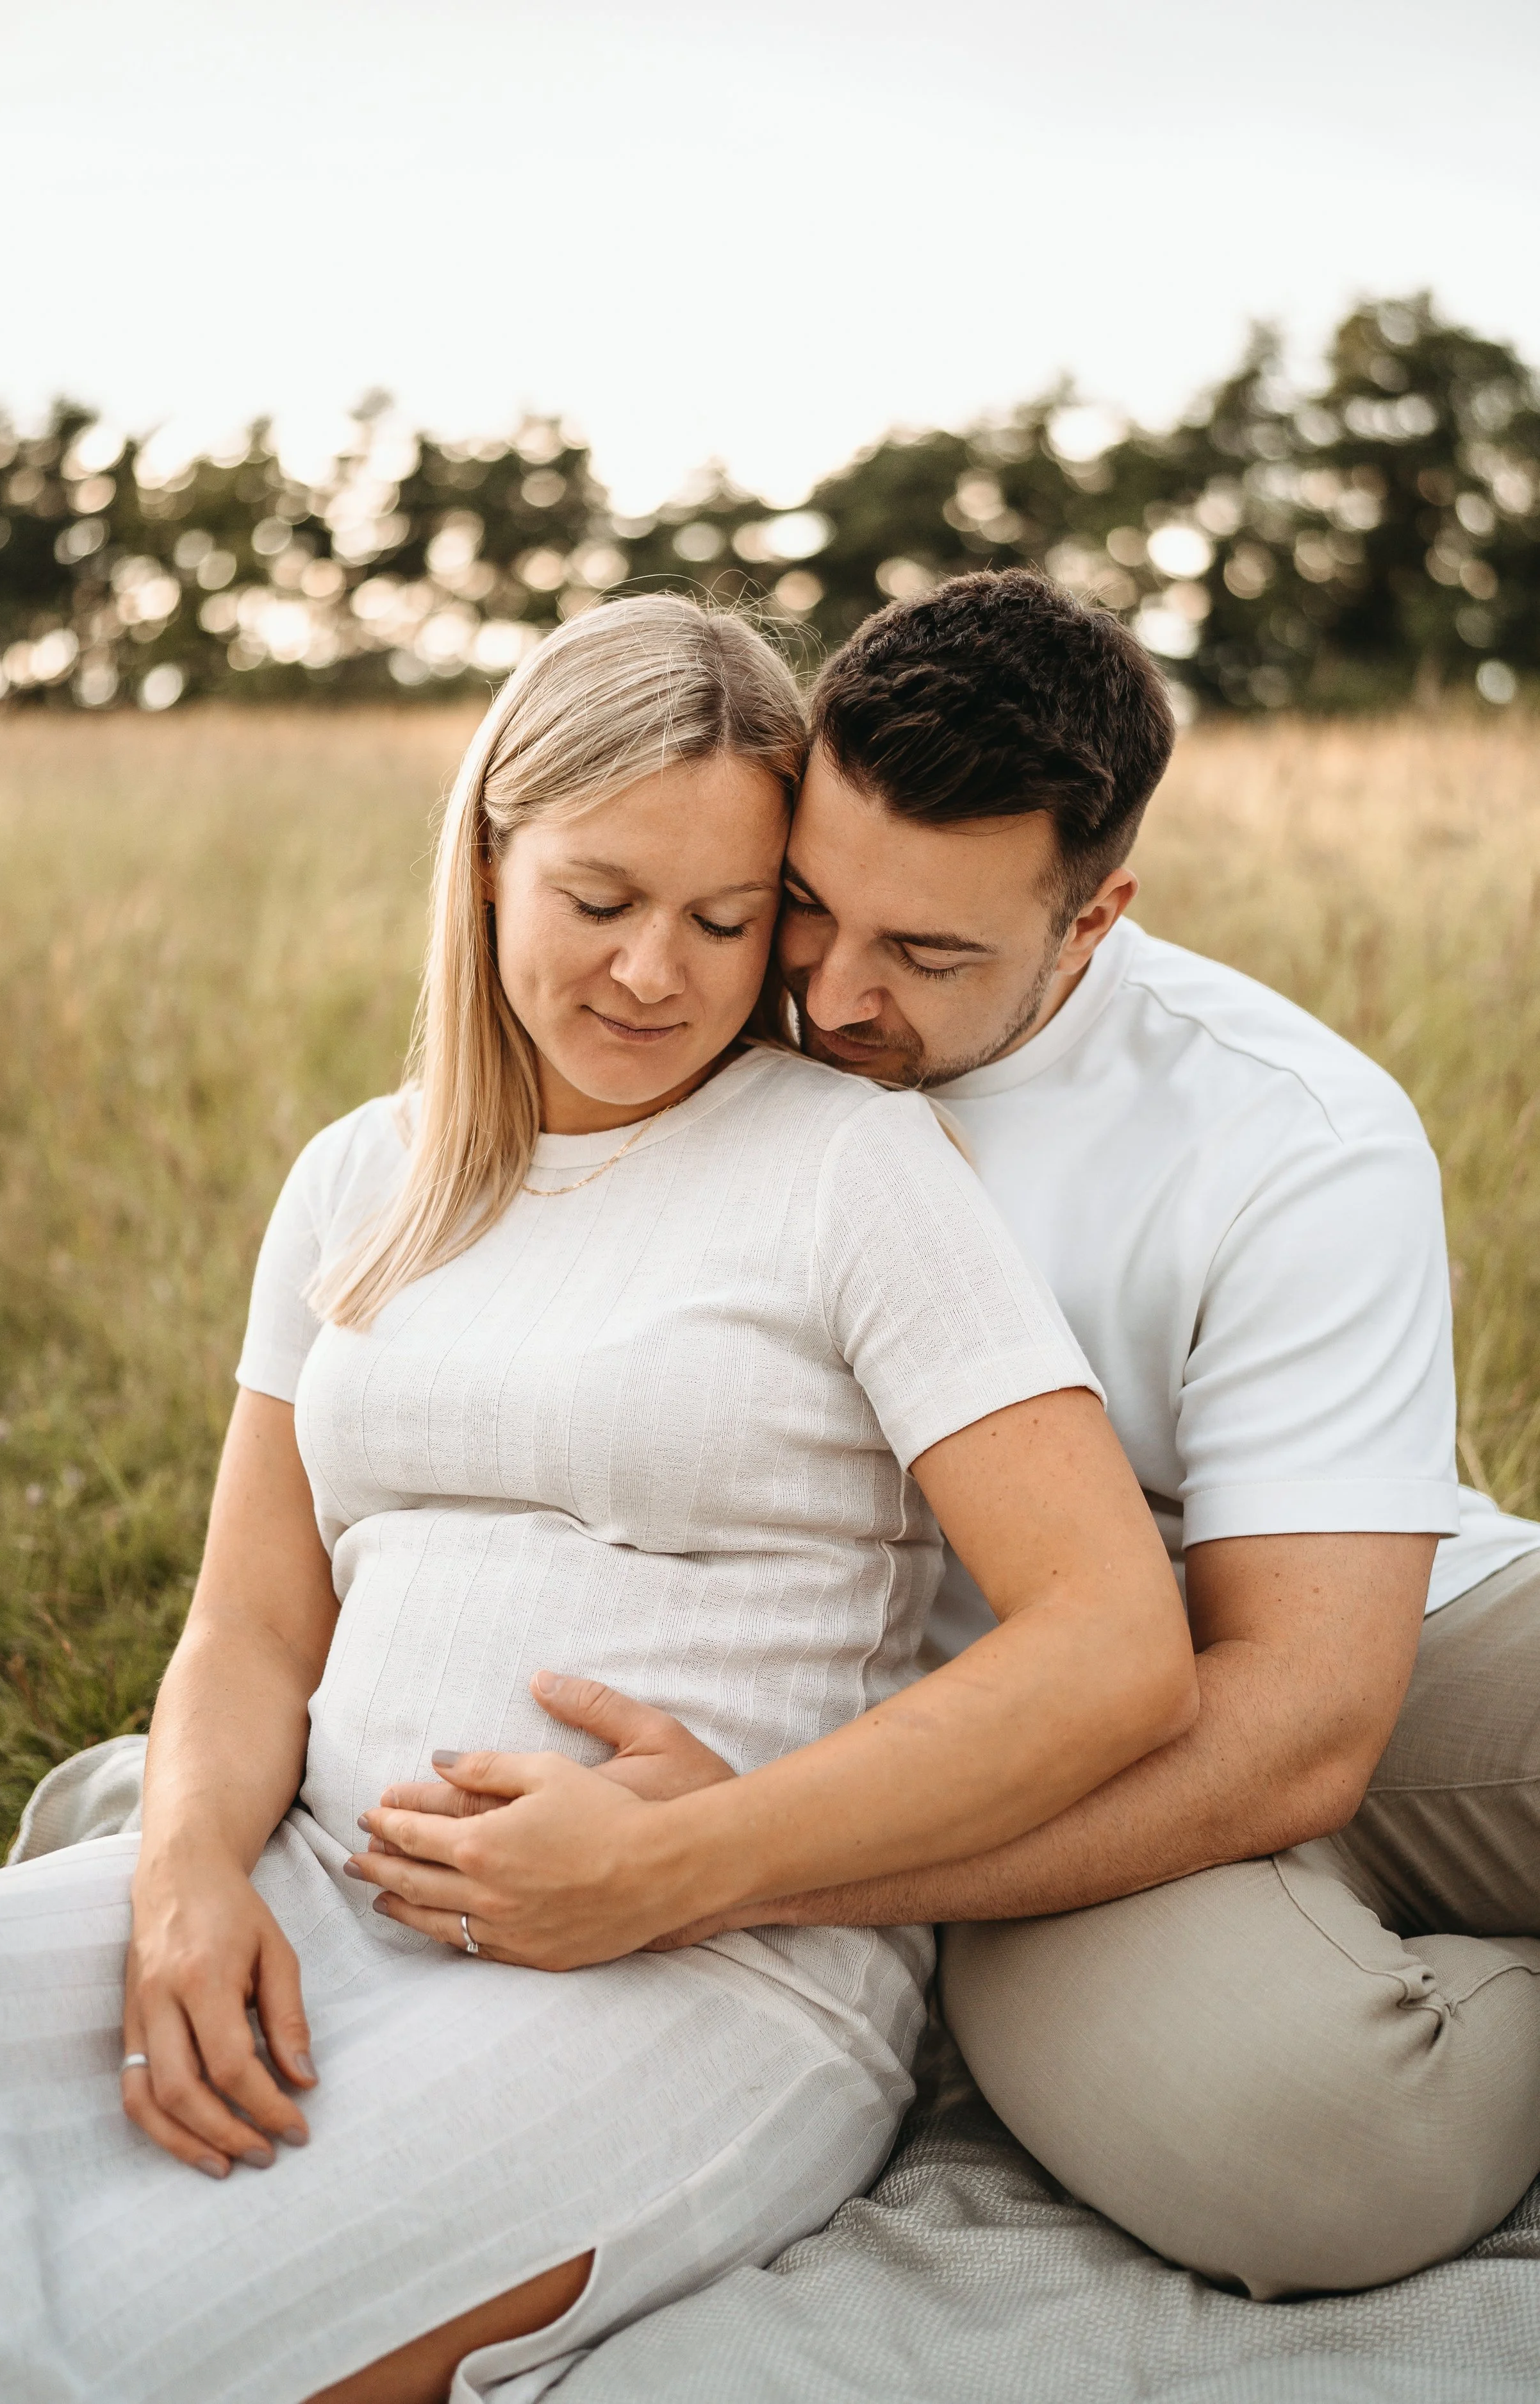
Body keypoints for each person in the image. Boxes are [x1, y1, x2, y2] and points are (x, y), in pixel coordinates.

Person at [0, 595, 1195, 2404]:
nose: (653, 975)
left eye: (725, 918)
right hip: (311, 1872)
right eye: (598, 900)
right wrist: (186, 1872)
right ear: (487, 860)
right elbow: (251, 1618)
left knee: (134, 2335)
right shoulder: (357, 1178)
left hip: (696, 1971)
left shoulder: (853, 1166)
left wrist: (689, 1857)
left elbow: (1110, 1640)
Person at [453, 569, 1540, 2301]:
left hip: (1352, 1638)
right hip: (981, 1740)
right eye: (806, 905)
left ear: (1092, 920)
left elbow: (1305, 1713)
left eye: (930, 951)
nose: (831, 991)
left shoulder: (1288, 1130)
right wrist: (830, 1838)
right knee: (1326, 2154)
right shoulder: (682, 1012)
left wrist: (730, 1862)